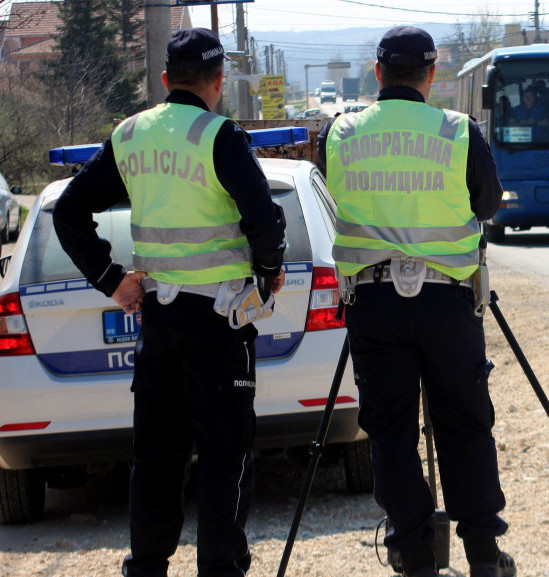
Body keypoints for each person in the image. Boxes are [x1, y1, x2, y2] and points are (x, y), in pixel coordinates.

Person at [52, 28, 286, 577]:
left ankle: (148, 568)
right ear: (218, 82)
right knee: (225, 456)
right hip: (218, 323)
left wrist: (112, 280)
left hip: (158, 321)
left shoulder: (130, 134)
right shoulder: (218, 135)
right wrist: (270, 272)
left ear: (164, 80)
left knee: (156, 457)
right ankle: (220, 569)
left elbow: (68, 212)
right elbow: (264, 217)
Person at [316, 26, 514, 577]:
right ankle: (482, 555)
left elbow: (336, 188)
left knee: (392, 432)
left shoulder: (341, 131)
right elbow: (489, 203)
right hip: (447, 304)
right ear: (431, 75)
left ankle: (414, 552)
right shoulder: (458, 131)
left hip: (375, 304)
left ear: (379, 73)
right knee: (465, 427)